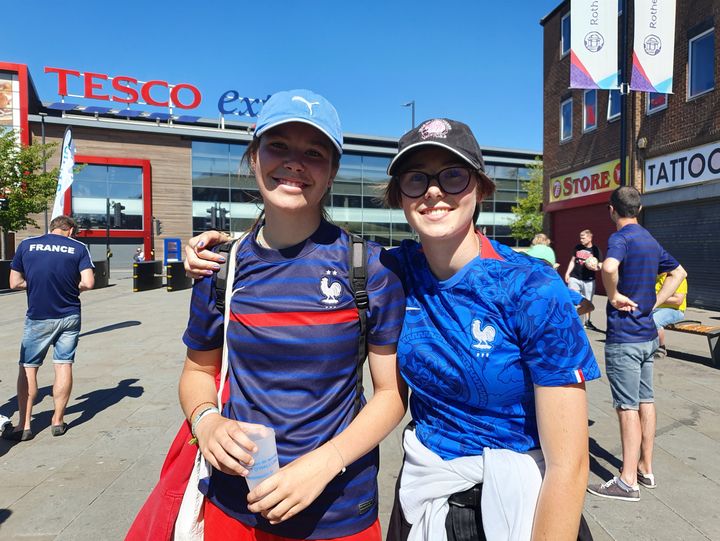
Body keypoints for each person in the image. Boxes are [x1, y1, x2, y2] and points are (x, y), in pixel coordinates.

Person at [187, 118, 600, 541]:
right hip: (424, 499)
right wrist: (229, 247)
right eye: (416, 179)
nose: (434, 192)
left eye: (454, 176)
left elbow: (568, 465)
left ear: (480, 186)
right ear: (400, 196)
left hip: (518, 504)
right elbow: (296, 247)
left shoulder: (533, 288)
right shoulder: (394, 269)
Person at [178, 89, 407, 540]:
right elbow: (196, 371)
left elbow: (391, 394)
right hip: (233, 500)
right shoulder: (219, 268)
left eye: (314, 152)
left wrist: (326, 463)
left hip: (337, 508)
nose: (294, 162)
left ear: (332, 172)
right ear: (254, 158)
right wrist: (206, 422)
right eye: (278, 146)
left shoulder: (370, 268)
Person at [587, 187, 686, 502]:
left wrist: (613, 296)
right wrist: (655, 302)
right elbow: (679, 272)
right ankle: (646, 468)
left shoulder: (620, 238)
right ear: (639, 208)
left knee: (626, 406)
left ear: (611, 210)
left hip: (626, 338)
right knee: (646, 400)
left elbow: (610, 267)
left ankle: (627, 481)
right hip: (647, 336)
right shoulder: (648, 238)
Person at [4, 215, 95, 441]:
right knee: (63, 364)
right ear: (70, 229)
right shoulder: (79, 248)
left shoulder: (26, 245)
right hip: (70, 315)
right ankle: (58, 421)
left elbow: (14, 283)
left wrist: (33, 284)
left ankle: (23, 426)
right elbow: (88, 282)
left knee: (28, 368)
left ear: (52, 228)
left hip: (38, 317)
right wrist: (71, 288)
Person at [527, 244, 594, 316]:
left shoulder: (557, 288)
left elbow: (588, 306)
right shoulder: (558, 288)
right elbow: (588, 306)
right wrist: (569, 317)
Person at [565, 229, 602, 330]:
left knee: (587, 301)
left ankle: (587, 322)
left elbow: (600, 264)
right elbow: (572, 261)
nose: (581, 240)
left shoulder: (596, 250)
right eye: (580, 238)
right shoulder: (577, 248)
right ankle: (573, 321)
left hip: (589, 280)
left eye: (583, 238)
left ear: (590, 238)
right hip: (575, 277)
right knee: (573, 300)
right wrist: (568, 273)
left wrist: (596, 268)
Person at [651, 273, 688, 359]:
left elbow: (678, 300)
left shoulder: (679, 278)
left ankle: (661, 348)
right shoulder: (654, 277)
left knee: (654, 320)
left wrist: (657, 297)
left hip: (675, 311)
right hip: (655, 308)